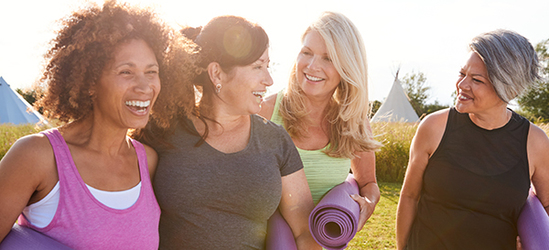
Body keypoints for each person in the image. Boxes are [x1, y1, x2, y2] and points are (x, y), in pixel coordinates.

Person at [0, 1, 196, 249]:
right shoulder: (36, 156)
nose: (145, 86)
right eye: (126, 72)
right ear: (91, 82)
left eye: (151, 72)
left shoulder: (148, 161)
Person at [137, 15, 320, 249]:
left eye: (267, 66)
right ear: (217, 74)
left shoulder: (275, 140)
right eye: (257, 67)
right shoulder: (161, 129)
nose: (269, 79)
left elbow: (304, 231)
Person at [396, 29, 549, 250]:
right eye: (462, 73)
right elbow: (409, 196)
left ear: (509, 89)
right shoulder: (434, 127)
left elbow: (545, 205)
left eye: (476, 80)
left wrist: (533, 236)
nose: (462, 85)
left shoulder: (534, 142)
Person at [258, 11, 382, 230]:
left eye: (328, 58)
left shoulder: (354, 124)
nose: (312, 66)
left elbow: (368, 183)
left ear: (347, 67)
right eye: (307, 52)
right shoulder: (265, 112)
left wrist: (368, 203)